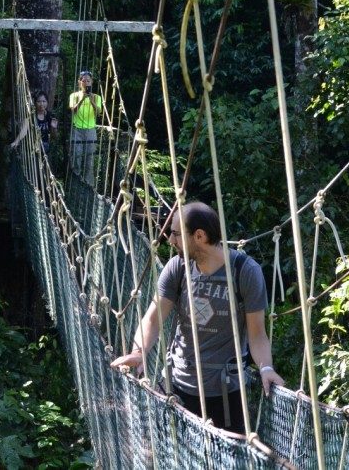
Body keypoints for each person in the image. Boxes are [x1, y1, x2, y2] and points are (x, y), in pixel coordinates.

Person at [110, 201, 284, 433]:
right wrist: (138, 352)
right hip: (177, 386)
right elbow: (153, 318)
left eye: (175, 234)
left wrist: (266, 369)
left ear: (199, 236)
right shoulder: (177, 268)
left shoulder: (245, 271)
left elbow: (257, 333)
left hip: (226, 394)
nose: (170, 241)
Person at [68, 70, 102, 182]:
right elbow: (73, 110)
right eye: (84, 80)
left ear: (91, 82)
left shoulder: (96, 97)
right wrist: (82, 99)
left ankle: (89, 185)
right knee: (76, 157)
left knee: (90, 159)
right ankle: (75, 183)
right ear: (79, 82)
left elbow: (98, 113)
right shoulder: (74, 96)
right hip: (77, 129)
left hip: (90, 130)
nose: (86, 83)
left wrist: (91, 101)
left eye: (88, 81)